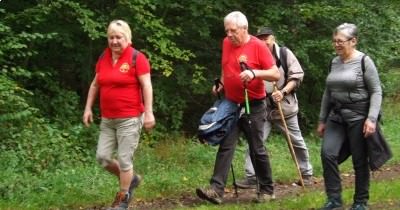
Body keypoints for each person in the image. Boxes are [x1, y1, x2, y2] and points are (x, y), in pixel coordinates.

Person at [195, 11, 280, 204]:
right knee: (226, 145)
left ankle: (267, 190)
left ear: (244, 29)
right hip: (231, 103)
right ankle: (216, 190)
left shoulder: (258, 46)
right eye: (227, 31)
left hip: (254, 104)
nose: (229, 35)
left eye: (233, 31)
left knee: (256, 148)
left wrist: (254, 73)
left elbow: (275, 74)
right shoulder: (226, 43)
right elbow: (226, 67)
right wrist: (222, 83)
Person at [82, 19, 155, 210]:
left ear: (127, 38)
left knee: (124, 160)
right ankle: (132, 180)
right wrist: (88, 108)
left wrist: (149, 113)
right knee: (103, 157)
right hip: (108, 119)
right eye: (111, 37)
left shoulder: (137, 58)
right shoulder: (103, 57)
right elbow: (95, 84)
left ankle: (122, 200)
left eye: (118, 37)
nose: (114, 41)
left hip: (130, 118)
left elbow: (147, 86)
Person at [235, 27, 314, 189]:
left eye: (266, 38)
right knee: (255, 141)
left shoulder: (284, 54)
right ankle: (251, 176)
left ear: (273, 38)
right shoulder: (254, 55)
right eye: (260, 38)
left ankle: (306, 174)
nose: (264, 41)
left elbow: (297, 75)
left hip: (284, 106)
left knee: (296, 141)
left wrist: (283, 92)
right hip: (262, 107)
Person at [317, 23, 382, 210]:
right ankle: (334, 200)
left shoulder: (364, 61)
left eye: (340, 41)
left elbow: (376, 91)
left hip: (359, 116)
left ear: (353, 41)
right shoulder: (334, 62)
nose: (336, 45)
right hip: (336, 116)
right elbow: (328, 93)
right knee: (327, 154)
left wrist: (371, 119)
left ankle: (361, 202)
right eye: (334, 41)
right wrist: (322, 120)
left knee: (359, 160)